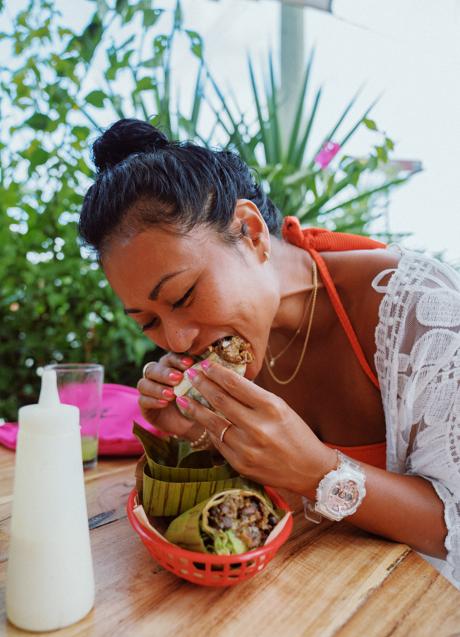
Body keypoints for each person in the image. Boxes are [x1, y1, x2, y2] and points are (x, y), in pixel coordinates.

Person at [79, 118, 460, 587]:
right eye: (149, 322)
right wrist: (194, 436)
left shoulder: (419, 311)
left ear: (252, 232)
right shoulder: (229, 346)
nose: (177, 340)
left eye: (182, 297)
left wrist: (318, 472)